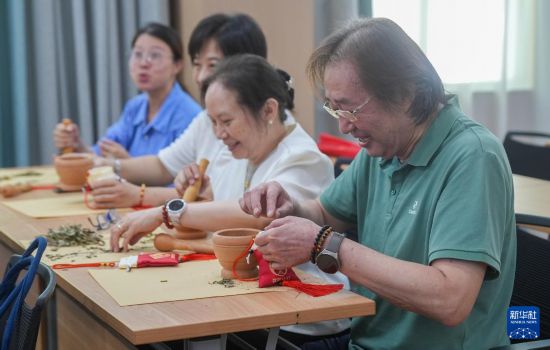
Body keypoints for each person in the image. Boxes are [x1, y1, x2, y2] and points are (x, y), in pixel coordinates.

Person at [239, 18, 516, 350]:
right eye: (333, 107)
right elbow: (325, 213)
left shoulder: (472, 156)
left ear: (405, 94)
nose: (342, 126)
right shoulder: (382, 149)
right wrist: (292, 206)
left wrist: (325, 245)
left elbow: (450, 299)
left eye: (350, 109)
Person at [110, 54, 351, 347]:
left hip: (301, 325)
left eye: (226, 121)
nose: (218, 134)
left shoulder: (303, 157)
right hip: (253, 309)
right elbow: (223, 218)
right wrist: (203, 197)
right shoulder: (239, 148)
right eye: (213, 122)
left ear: (269, 110)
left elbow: (257, 216)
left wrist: (168, 212)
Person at [87, 13, 268, 209]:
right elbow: (164, 165)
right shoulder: (203, 119)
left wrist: (140, 195)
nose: (201, 77)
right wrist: (109, 165)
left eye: (213, 65)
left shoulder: (257, 131)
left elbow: (223, 200)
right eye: (197, 65)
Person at [53, 22, 201, 159]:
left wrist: (127, 166)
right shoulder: (135, 107)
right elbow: (100, 153)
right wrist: (76, 144)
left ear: (177, 65)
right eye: (138, 54)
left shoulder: (190, 116)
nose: (143, 63)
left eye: (155, 55)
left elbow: (183, 183)